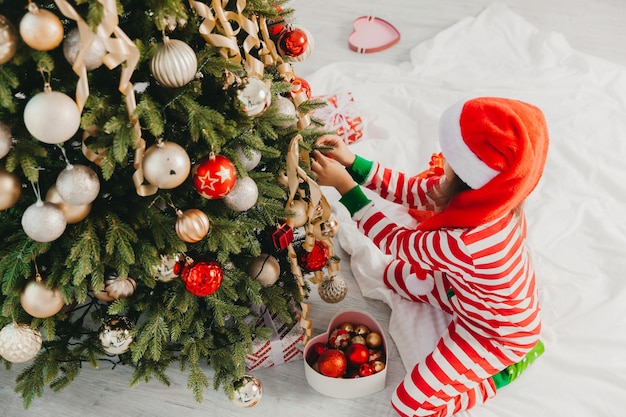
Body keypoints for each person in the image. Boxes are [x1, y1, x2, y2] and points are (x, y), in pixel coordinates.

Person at [310, 97, 549, 417]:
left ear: (466, 172)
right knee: (393, 276)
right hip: (468, 292)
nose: (442, 160)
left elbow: (395, 241)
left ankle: (502, 375)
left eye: (449, 156)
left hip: (494, 334)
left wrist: (346, 188)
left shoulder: (464, 242)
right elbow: (416, 190)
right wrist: (352, 161)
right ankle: (455, 296)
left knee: (408, 405)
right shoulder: (495, 196)